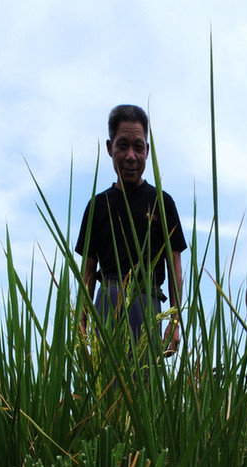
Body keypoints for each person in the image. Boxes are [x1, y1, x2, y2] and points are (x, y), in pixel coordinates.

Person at [75, 104, 186, 354]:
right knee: (105, 387)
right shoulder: (97, 206)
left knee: (146, 385)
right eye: (122, 145)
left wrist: (175, 322)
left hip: (147, 304)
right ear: (109, 148)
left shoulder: (162, 203)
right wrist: (81, 323)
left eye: (138, 147)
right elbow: (88, 273)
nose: (131, 156)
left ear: (147, 151)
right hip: (107, 305)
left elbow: (175, 266)